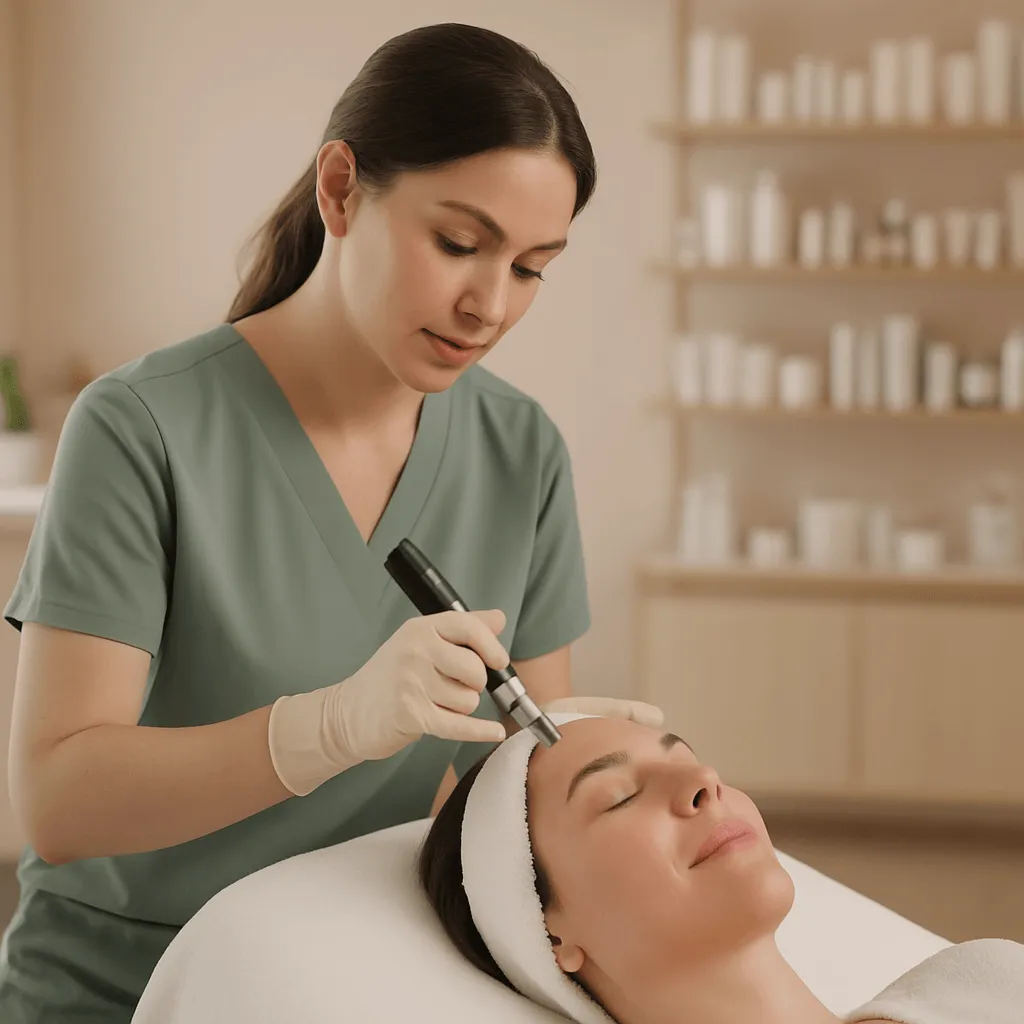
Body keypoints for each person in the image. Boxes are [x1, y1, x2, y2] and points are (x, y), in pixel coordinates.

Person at [0, 23, 660, 1021]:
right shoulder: (142, 427)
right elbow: (59, 801)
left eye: (530, 267)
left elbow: (504, 795)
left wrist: (597, 770)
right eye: (458, 243)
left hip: (357, 981)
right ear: (341, 188)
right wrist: (326, 728)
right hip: (128, 993)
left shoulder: (520, 451)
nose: (489, 304)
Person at [419, 714, 1024, 1024]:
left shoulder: (985, 982)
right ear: (549, 933)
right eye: (619, 796)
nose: (702, 782)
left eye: (690, 759)